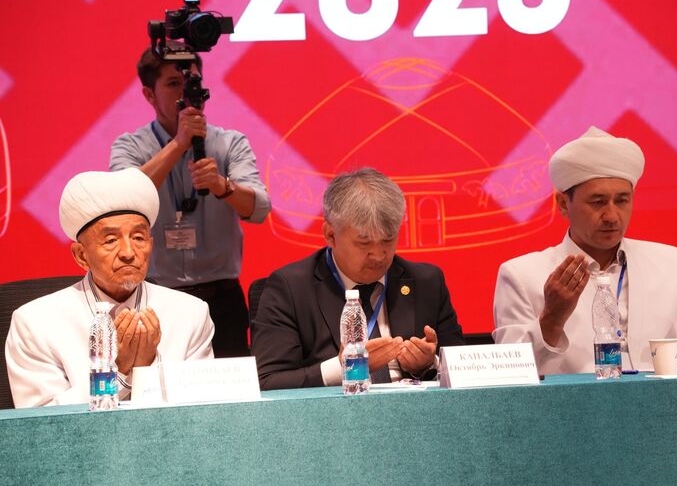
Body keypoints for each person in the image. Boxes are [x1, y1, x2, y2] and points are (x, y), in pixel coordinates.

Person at [493, 126, 677, 375]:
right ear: (563, 204)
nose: (612, 216)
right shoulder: (522, 275)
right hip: (574, 400)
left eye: (622, 201)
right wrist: (551, 318)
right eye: (598, 202)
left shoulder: (672, 263)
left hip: (662, 399)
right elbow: (510, 377)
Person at [5, 168, 214, 407]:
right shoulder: (35, 323)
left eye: (138, 238)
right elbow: (42, 421)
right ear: (81, 255)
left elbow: (201, 410)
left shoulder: (190, 314)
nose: (128, 252)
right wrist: (119, 370)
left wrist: (146, 368)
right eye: (111, 240)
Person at [110, 49, 271, 358]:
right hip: (155, 298)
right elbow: (122, 198)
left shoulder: (230, 142)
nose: (186, 94)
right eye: (173, 84)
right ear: (149, 94)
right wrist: (178, 144)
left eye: (193, 83)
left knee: (229, 387)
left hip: (222, 299)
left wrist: (223, 186)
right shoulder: (129, 145)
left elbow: (259, 209)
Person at [250, 168, 465, 390]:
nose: (378, 255)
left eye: (388, 240)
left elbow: (465, 374)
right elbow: (268, 381)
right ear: (330, 235)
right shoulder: (290, 289)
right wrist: (343, 367)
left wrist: (430, 364)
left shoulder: (427, 282)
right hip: (335, 410)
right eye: (364, 243)